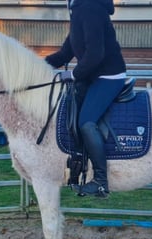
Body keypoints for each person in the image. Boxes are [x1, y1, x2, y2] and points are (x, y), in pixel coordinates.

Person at [45, 0, 126, 197]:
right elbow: (66, 52)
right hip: (92, 75)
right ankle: (77, 165)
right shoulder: (79, 10)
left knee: (86, 122)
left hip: (108, 75)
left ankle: (100, 181)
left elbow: (95, 54)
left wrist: (74, 75)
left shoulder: (90, 7)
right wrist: (36, 66)